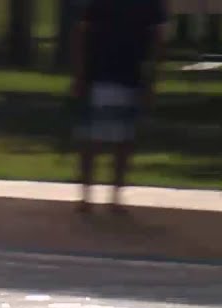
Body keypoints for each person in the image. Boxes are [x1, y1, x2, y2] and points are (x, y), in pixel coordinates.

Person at [72, 0, 168, 212]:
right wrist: (80, 74)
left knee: (121, 140)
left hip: (127, 74)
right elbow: (83, 32)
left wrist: (152, 78)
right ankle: (90, 195)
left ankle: (111, 195)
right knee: (99, 138)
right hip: (103, 74)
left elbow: (158, 39)